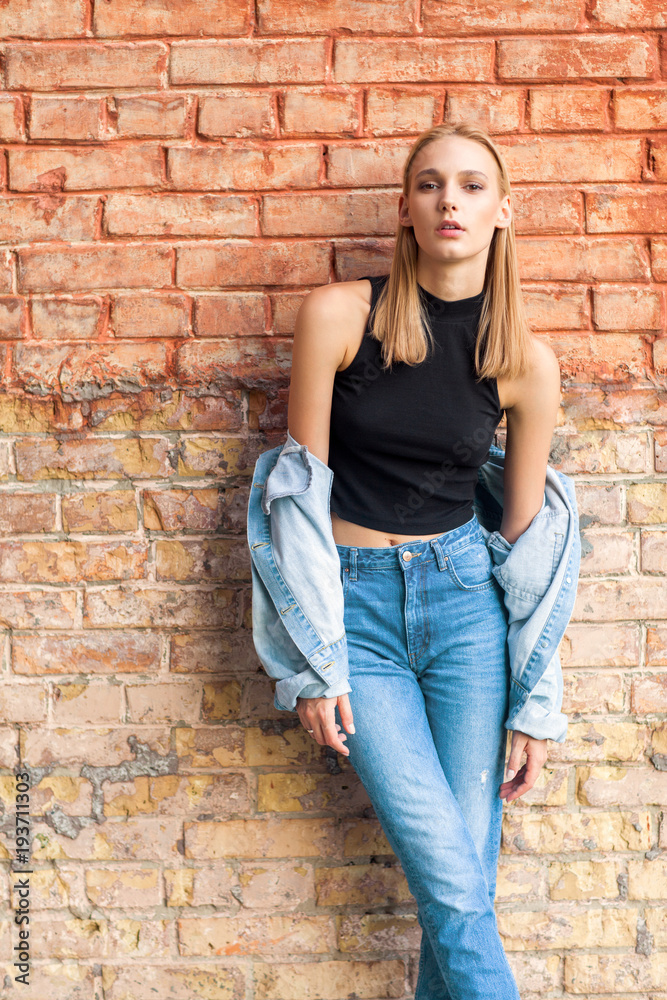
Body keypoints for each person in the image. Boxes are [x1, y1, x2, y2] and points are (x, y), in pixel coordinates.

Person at [285, 121, 562, 999]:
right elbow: (295, 505)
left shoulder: (521, 360)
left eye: (473, 186)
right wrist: (313, 659)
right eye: (432, 184)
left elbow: (530, 559)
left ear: (501, 213)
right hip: (355, 614)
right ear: (406, 210)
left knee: (465, 877)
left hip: (465, 617)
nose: (451, 201)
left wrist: (536, 704)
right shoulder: (339, 316)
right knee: (450, 878)